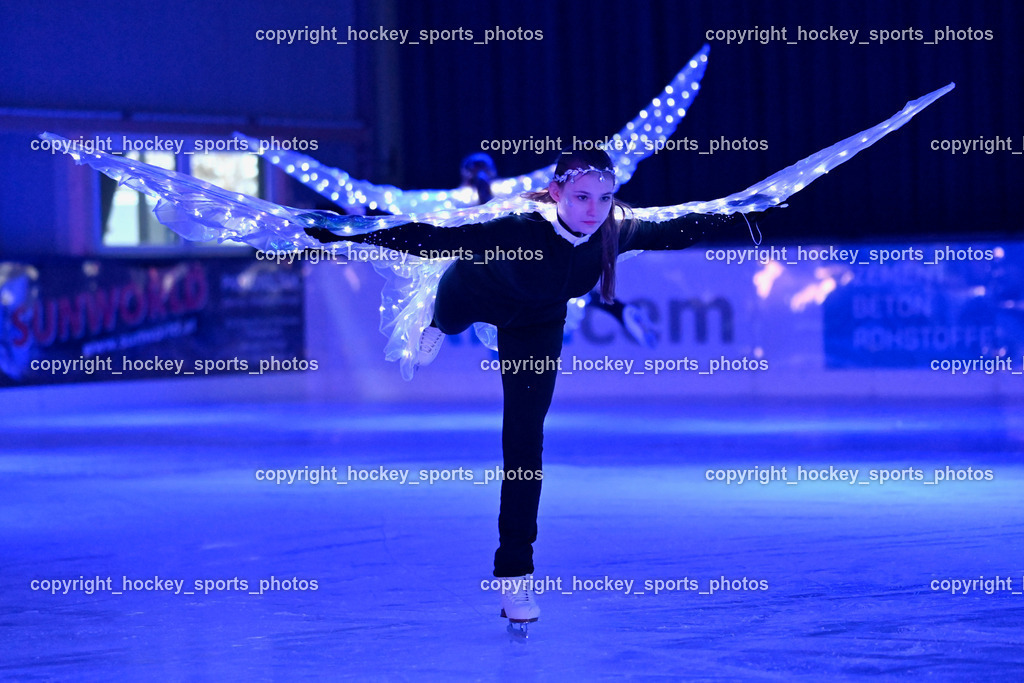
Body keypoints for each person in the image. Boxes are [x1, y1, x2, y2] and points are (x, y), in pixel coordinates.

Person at [304, 147, 750, 627]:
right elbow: (429, 237)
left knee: (524, 444)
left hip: (536, 326)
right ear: (556, 192)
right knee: (449, 318)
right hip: (471, 291)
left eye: (604, 198)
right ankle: (433, 321)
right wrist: (337, 228)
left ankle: (514, 575)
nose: (593, 210)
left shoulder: (611, 233)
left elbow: (680, 230)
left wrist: (751, 205)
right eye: (581, 197)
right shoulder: (516, 228)